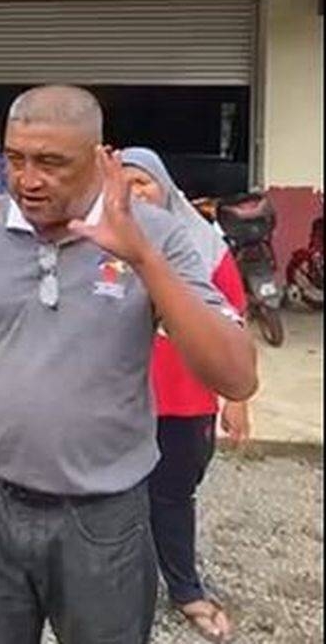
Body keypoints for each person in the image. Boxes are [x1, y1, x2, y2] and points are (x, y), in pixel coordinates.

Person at [0, 85, 257, 644]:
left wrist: (144, 260)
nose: (29, 179)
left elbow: (236, 375)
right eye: (18, 159)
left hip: (104, 517)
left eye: (52, 163)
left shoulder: (153, 234)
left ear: (102, 159)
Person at [121, 147, 251, 643]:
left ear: (166, 188)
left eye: (144, 183)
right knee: (116, 503)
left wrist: (236, 399)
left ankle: (184, 588)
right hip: (122, 401)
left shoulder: (203, 245)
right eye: (125, 184)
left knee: (172, 497)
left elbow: (234, 319)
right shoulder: (102, 241)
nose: (135, 195)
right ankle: (118, 594)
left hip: (185, 403)